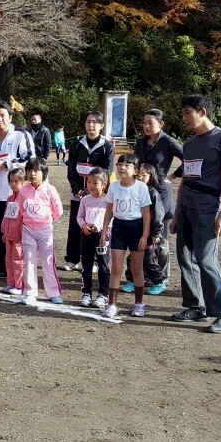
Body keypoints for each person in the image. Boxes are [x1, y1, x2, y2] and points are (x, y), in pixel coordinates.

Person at [170, 94, 221, 333]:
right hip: (187, 206)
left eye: (187, 113)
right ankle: (195, 306)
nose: (184, 118)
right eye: (182, 114)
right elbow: (185, 180)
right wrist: (177, 214)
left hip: (209, 209)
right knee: (185, 258)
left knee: (206, 261)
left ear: (202, 112)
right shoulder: (188, 144)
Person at [0, 102, 35, 280]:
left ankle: (20, 268)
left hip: (16, 194)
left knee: (17, 231)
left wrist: (6, 164)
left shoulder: (21, 135)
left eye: (3, 115)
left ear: (10, 117)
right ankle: (2, 267)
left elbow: (30, 159)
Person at [63, 110, 115, 273]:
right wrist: (77, 189)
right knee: (75, 226)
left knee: (94, 226)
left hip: (97, 196)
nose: (91, 125)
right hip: (77, 194)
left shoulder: (107, 146)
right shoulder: (78, 143)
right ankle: (72, 259)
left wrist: (89, 190)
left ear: (101, 125)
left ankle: (94, 261)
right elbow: (71, 167)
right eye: (88, 122)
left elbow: (107, 171)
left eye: (95, 122)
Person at [103, 154, 153, 320]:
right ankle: (111, 304)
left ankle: (139, 303)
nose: (122, 167)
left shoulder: (141, 188)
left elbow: (147, 213)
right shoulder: (113, 186)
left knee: (136, 269)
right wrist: (104, 231)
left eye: (128, 165)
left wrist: (145, 236)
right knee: (116, 268)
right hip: (118, 227)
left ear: (136, 171)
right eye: (120, 164)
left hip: (136, 228)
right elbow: (109, 210)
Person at [15, 157, 64, 305]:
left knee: (48, 262)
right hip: (28, 230)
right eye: (30, 170)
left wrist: (47, 221)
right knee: (29, 262)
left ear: (44, 172)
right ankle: (30, 293)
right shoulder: (23, 191)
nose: (33, 174)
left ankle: (53, 293)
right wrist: (29, 222)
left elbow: (58, 210)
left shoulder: (50, 190)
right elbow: (21, 209)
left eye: (36, 170)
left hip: (45, 231)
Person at [125, 163, 171, 296]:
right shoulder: (134, 190)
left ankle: (159, 282)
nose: (140, 178)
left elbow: (158, 214)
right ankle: (132, 281)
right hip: (136, 232)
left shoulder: (153, 193)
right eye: (138, 175)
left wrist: (156, 233)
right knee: (131, 258)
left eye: (143, 175)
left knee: (149, 259)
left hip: (149, 234)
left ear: (151, 176)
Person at [76, 168, 112, 309]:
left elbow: (112, 218)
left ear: (104, 184)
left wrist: (100, 227)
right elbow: (79, 216)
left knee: (103, 265)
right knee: (86, 265)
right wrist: (84, 225)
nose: (90, 185)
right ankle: (86, 293)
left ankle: (103, 294)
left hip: (103, 237)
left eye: (95, 183)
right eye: (89, 182)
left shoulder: (108, 200)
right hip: (86, 235)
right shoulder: (85, 199)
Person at [135, 109, 186, 185]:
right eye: (144, 123)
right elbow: (134, 163)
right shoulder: (140, 142)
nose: (146, 126)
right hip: (140, 188)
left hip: (159, 188)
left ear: (161, 124)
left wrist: (173, 175)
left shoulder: (168, 142)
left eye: (150, 123)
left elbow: (188, 160)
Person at [1, 169, 27, 295]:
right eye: (11, 181)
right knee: (9, 260)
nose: (13, 184)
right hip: (9, 236)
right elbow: (7, 217)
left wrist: (22, 234)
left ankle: (19, 285)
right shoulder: (10, 198)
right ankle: (11, 282)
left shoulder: (24, 199)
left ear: (23, 182)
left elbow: (24, 219)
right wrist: (4, 231)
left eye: (16, 181)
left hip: (19, 237)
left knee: (18, 261)